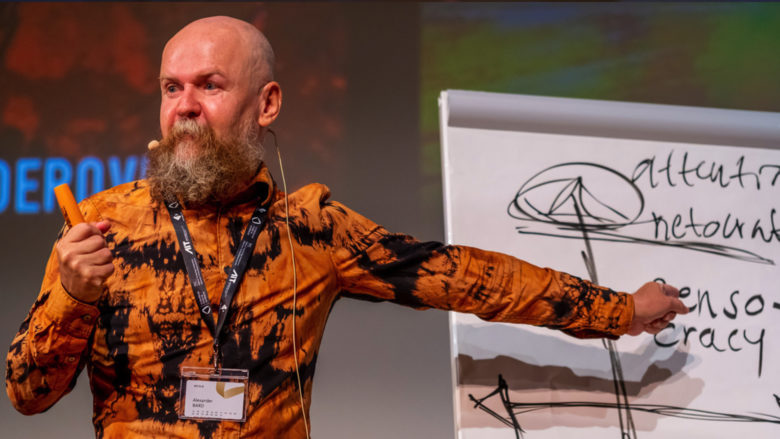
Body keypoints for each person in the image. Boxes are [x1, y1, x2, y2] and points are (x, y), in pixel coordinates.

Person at [5, 16, 688, 439]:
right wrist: (73, 294)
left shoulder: (310, 229)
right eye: (170, 88)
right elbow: (26, 395)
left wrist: (620, 310)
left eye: (209, 85)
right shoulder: (102, 226)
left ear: (265, 103)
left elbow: (470, 277)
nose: (184, 107)